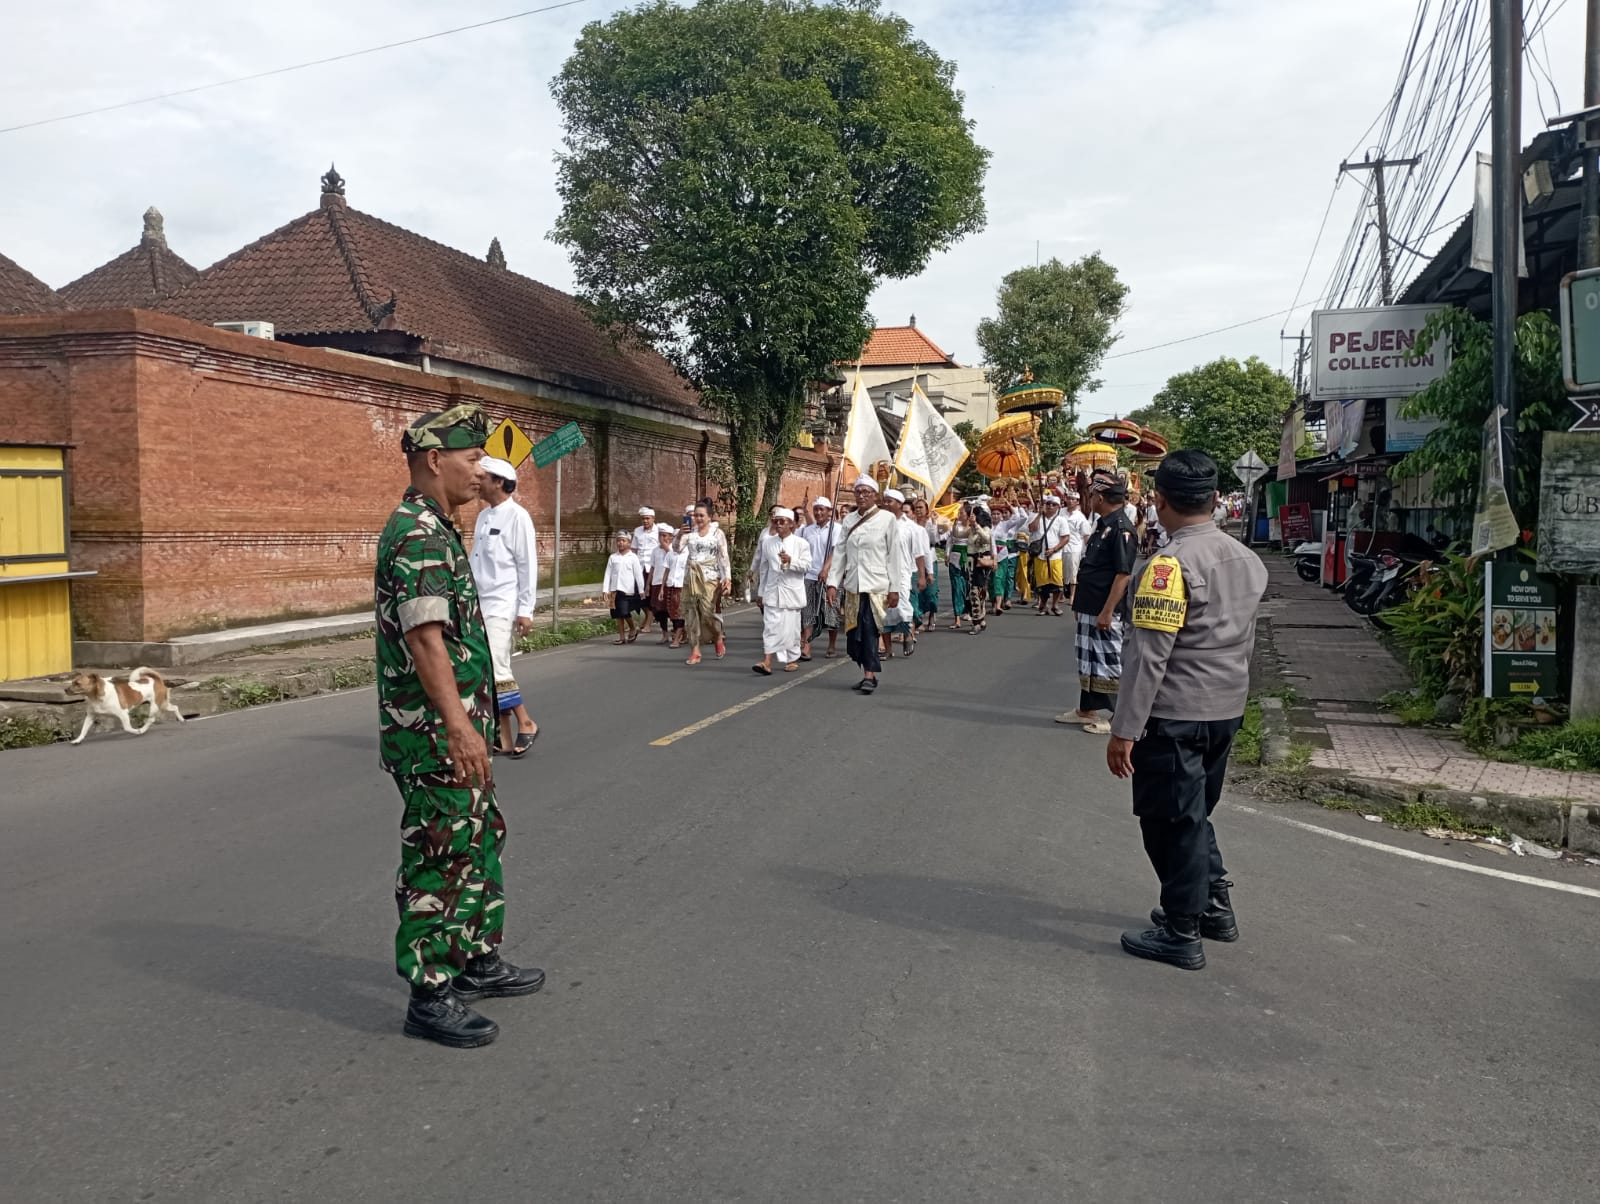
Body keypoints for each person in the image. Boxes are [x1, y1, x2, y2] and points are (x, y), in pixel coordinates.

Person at [375, 403, 543, 1050]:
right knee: (440, 851)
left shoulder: (440, 528)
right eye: (472, 458)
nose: (481, 470)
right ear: (432, 460)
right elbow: (426, 641)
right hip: (431, 732)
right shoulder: (417, 534)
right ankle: (430, 990)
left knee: (479, 836)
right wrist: (458, 726)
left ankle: (474, 956)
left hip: (456, 725)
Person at [1106, 451, 1269, 971]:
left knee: (1169, 822)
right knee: (1193, 813)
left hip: (1175, 712)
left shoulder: (1168, 566)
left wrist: (1124, 729)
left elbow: (1148, 656)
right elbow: (1247, 642)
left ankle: (1182, 930)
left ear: (1159, 501)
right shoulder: (1246, 559)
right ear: (1216, 499)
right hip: (1226, 707)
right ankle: (1214, 908)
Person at [468, 455, 540, 759]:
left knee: (498, 668)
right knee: (485, 669)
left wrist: (526, 609)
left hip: (502, 603)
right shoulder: (483, 517)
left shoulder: (517, 516)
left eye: (483, 477)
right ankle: (505, 737)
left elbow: (528, 566)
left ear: (498, 482)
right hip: (479, 604)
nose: (477, 481)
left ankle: (527, 722)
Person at [1063, 470, 1139, 733]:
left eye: (1093, 494)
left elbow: (1123, 574)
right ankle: (1086, 710)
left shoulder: (1121, 529)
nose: (1090, 498)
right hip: (1090, 605)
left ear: (1101, 498)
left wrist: (1107, 611)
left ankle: (1119, 717)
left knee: (1109, 661)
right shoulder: (1103, 524)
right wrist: (1080, 604)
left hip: (1106, 608)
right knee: (1088, 659)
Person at [826, 477, 907, 695]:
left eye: (866, 492)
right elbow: (840, 553)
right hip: (853, 585)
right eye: (858, 492)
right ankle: (866, 672)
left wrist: (895, 588)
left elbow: (894, 556)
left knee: (869, 631)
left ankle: (869, 676)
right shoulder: (849, 520)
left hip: (876, 586)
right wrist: (832, 583)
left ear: (875, 495)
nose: (861, 496)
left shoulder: (887, 519)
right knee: (854, 636)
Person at [753, 507, 811, 674]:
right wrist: (761, 592)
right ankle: (767, 662)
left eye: (782, 521)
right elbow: (764, 568)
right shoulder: (768, 542)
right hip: (772, 590)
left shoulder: (801, 544)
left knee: (790, 628)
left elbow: (807, 566)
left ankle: (791, 659)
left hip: (792, 592)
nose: (778, 524)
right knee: (770, 627)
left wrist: (791, 561)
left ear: (791, 524)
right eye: (775, 521)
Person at [677, 498, 731, 665]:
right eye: (696, 515)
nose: (698, 518)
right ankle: (695, 651)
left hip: (710, 578)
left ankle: (717, 636)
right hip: (691, 577)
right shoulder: (689, 533)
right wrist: (679, 534)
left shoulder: (717, 533)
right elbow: (676, 548)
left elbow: (723, 557)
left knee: (707, 613)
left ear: (709, 517)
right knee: (691, 614)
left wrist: (727, 578)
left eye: (701, 515)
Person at [882, 489, 927, 657]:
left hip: (902, 574)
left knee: (901, 607)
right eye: (885, 501)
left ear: (899, 504)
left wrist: (922, 576)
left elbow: (919, 554)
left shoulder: (911, 527)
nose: (886, 504)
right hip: (881, 573)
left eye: (890, 501)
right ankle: (887, 649)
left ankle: (908, 633)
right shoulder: (879, 523)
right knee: (883, 611)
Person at [799, 497, 840, 660]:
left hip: (830, 577)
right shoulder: (808, 530)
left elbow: (836, 551)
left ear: (829, 511)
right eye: (816, 509)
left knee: (830, 611)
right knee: (807, 611)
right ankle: (807, 645)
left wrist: (825, 569)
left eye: (822, 509)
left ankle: (832, 644)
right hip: (810, 575)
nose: (818, 512)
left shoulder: (836, 529)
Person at [1028, 494, 1072, 616]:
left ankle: (1055, 605)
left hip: (1055, 556)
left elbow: (1066, 538)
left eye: (1053, 504)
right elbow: (1032, 528)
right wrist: (1039, 514)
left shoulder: (1061, 520)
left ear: (1058, 507)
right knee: (1042, 584)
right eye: (1048, 504)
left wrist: (1054, 549)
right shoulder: (1038, 518)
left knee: (1057, 583)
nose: (1050, 506)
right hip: (1040, 555)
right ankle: (1043, 605)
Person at [603, 532, 646, 644]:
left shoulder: (633, 557)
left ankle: (632, 628)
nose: (620, 543)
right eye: (619, 540)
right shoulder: (613, 557)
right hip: (614, 590)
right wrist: (605, 589)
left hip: (627, 590)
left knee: (624, 611)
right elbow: (608, 574)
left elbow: (638, 575)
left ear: (629, 543)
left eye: (623, 541)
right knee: (618, 614)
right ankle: (621, 637)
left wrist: (641, 590)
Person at [911, 496, 942, 632]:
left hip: (930, 557)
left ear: (926, 510)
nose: (918, 510)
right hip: (916, 560)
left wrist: (934, 523)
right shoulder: (911, 524)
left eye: (921, 507)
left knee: (931, 590)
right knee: (917, 590)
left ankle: (932, 615)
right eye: (916, 508)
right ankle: (917, 619)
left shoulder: (930, 523)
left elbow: (935, 540)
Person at [965, 504, 996, 632]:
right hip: (970, 564)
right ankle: (981, 619)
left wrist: (976, 526)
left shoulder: (985, 528)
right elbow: (956, 534)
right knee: (975, 593)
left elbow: (987, 539)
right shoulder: (970, 529)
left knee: (975, 592)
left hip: (981, 564)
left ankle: (976, 621)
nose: (971, 518)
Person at [631, 507, 661, 635]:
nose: (645, 521)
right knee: (638, 595)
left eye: (647, 518)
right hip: (639, 567)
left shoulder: (659, 531)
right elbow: (634, 549)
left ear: (653, 518)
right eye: (643, 518)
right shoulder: (637, 531)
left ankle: (648, 623)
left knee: (651, 596)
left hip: (653, 568)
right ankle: (649, 617)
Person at [1063, 492, 1095, 606]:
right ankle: (1061, 594)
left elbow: (1086, 535)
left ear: (1077, 501)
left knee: (1073, 573)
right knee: (1060, 572)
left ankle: (1072, 596)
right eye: (1069, 498)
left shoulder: (1080, 517)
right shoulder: (1060, 512)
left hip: (1073, 548)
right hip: (1059, 546)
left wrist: (1089, 551)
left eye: (1073, 499)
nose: (1070, 501)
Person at [648, 527, 676, 644]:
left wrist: (666, 547)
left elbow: (673, 558)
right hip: (657, 582)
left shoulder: (674, 549)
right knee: (659, 611)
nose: (662, 538)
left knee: (672, 610)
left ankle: (678, 632)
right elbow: (652, 567)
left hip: (669, 583)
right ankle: (665, 634)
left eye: (665, 535)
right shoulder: (655, 550)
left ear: (670, 537)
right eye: (660, 535)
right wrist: (648, 585)